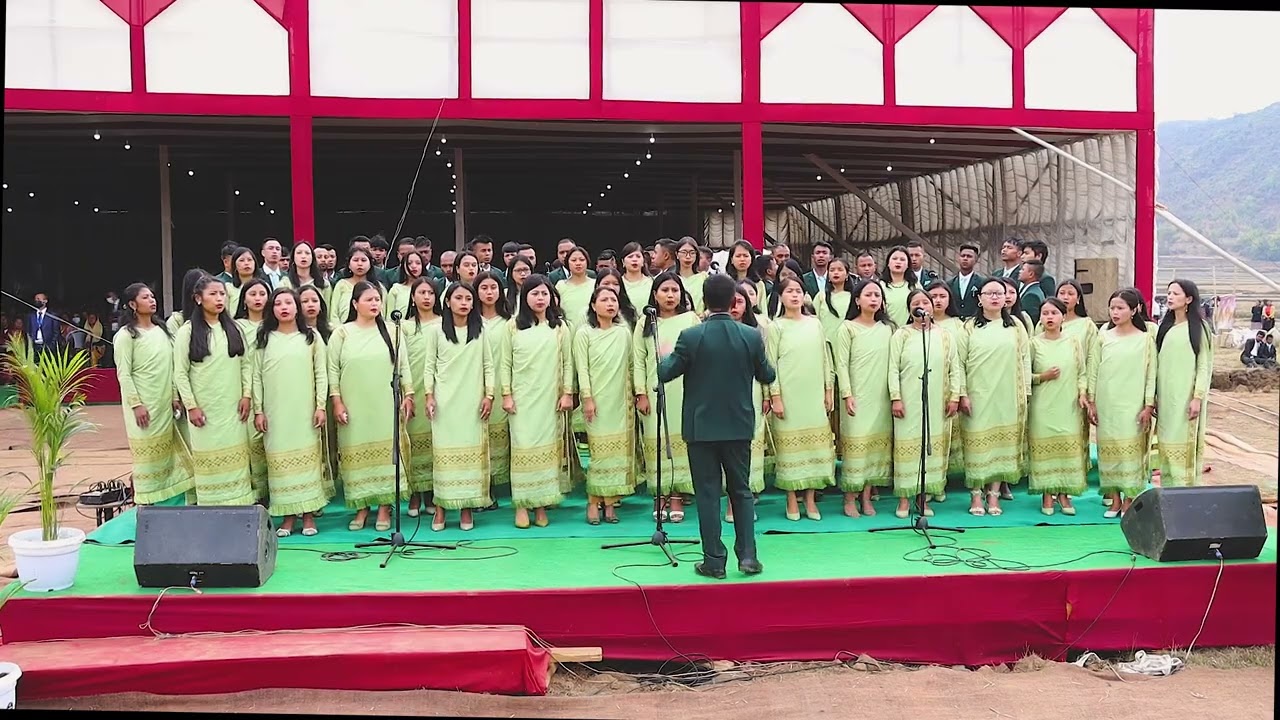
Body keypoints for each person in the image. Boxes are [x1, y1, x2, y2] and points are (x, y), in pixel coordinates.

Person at [657, 273, 775, 579]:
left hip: (701, 427)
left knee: (708, 494)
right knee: (741, 491)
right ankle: (748, 557)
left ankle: (714, 560)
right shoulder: (751, 336)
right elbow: (768, 375)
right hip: (738, 424)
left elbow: (666, 373)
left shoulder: (691, 336)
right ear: (734, 301)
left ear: (703, 301)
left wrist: (664, 353)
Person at [114, 282, 193, 505]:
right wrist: (136, 404)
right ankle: (146, 502)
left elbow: (173, 367)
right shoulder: (126, 336)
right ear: (132, 304)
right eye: (146, 297)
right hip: (144, 405)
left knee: (169, 454)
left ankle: (172, 501)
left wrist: (175, 397)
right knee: (147, 457)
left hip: (165, 403)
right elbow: (124, 374)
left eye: (152, 296)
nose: (152, 300)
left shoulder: (162, 331)